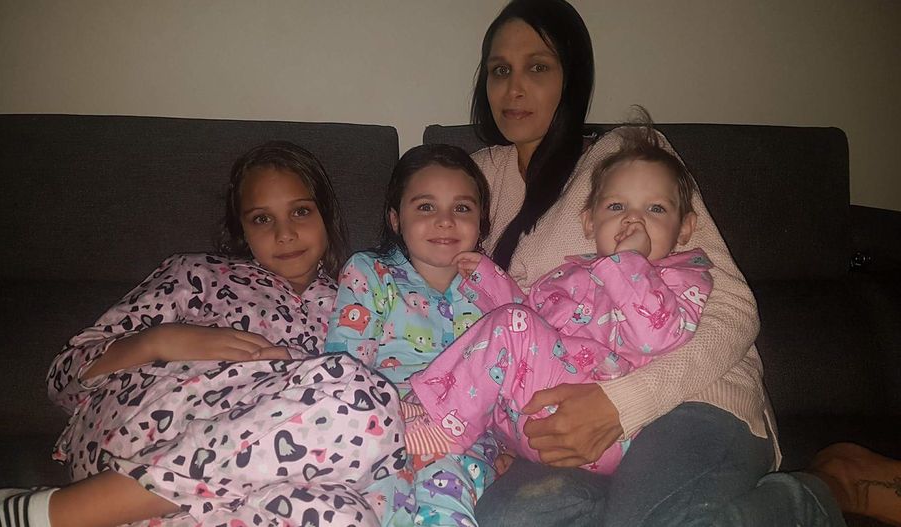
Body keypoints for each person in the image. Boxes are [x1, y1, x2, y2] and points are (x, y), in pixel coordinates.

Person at [463, 0, 847, 525]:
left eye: (538, 67)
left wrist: (621, 404)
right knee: (506, 517)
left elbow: (735, 309)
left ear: (572, 79)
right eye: (499, 70)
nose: (513, 89)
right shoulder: (473, 181)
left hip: (689, 397)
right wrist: (493, 436)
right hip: (574, 433)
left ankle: (812, 499)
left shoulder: (628, 155)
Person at [0, 141, 404, 527]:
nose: (285, 233)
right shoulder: (197, 273)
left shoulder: (360, 300)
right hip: (144, 432)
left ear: (326, 215)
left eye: (301, 212)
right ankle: (55, 514)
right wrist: (161, 340)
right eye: (261, 218)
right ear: (242, 229)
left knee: (346, 517)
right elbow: (62, 379)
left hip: (254, 479)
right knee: (364, 397)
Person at [405, 123, 714, 478]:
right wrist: (490, 281)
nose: (633, 219)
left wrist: (628, 262)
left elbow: (656, 338)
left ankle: (442, 429)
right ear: (590, 222)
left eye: (655, 209)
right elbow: (533, 323)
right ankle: (431, 411)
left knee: (512, 326)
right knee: (511, 328)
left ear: (685, 227)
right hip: (538, 411)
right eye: (616, 206)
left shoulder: (681, 278)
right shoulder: (572, 273)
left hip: (599, 426)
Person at [325, 143, 498, 526]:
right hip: (381, 429)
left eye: (462, 208)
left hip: (461, 443)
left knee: (443, 493)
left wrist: (509, 444)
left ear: (481, 222)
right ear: (395, 219)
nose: (445, 221)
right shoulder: (371, 273)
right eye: (425, 207)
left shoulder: (493, 291)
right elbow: (344, 368)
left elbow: (512, 377)